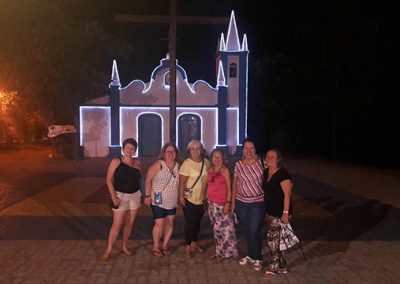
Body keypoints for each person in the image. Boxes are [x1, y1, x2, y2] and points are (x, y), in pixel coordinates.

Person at [100, 138, 142, 261]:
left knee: (129, 223)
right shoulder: (116, 161)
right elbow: (108, 179)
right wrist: (113, 196)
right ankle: (108, 250)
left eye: (132, 148)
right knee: (117, 225)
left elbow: (140, 179)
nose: (130, 150)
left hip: (134, 196)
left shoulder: (137, 163)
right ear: (123, 149)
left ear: (135, 150)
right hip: (120, 196)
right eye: (127, 148)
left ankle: (124, 246)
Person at [231, 138, 265, 271]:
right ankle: (251, 255)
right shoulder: (238, 164)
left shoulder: (262, 163)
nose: (249, 151)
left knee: (255, 229)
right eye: (246, 148)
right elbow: (235, 183)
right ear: (243, 150)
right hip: (241, 202)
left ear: (255, 149)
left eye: (252, 148)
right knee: (247, 230)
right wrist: (233, 202)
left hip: (257, 202)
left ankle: (258, 257)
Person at [262, 148, 293, 279]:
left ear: (278, 159)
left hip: (280, 212)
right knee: (279, 239)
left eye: (272, 157)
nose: (269, 159)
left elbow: (287, 195)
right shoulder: (266, 172)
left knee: (272, 240)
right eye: (268, 156)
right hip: (270, 211)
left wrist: (285, 213)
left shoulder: (283, 174)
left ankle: (273, 267)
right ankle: (282, 265)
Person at [144, 143, 180, 257]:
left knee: (170, 223)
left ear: (176, 154)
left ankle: (165, 245)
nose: (170, 153)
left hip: (172, 200)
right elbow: (148, 180)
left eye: (172, 151)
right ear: (163, 153)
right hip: (158, 199)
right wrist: (147, 196)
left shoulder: (178, 166)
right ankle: (156, 246)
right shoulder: (158, 165)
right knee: (159, 223)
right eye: (168, 151)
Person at [179, 139, 210, 258]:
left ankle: (194, 243)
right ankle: (188, 246)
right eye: (193, 149)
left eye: (198, 148)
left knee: (197, 222)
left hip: (202, 198)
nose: (195, 151)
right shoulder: (186, 163)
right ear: (189, 151)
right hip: (189, 198)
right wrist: (181, 197)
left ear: (201, 150)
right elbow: (182, 182)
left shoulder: (206, 162)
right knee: (189, 223)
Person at [207, 148, 238, 262]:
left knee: (224, 230)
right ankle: (219, 251)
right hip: (211, 203)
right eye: (215, 156)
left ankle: (223, 253)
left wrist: (228, 203)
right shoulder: (210, 169)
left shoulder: (225, 170)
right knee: (217, 229)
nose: (217, 159)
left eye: (219, 157)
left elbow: (230, 188)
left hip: (221, 203)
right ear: (212, 158)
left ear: (223, 158)